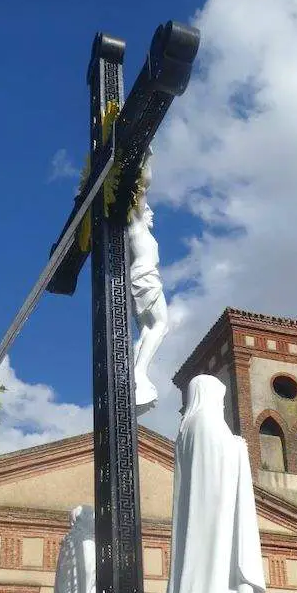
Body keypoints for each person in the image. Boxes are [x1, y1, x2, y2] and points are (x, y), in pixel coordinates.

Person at [147, 374, 266, 593]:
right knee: (216, 592)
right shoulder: (208, 425)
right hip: (216, 531)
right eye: (220, 398)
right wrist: (238, 448)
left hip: (201, 530)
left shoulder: (186, 429)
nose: (222, 405)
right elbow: (217, 473)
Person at [128, 146, 168, 415]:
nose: (150, 213)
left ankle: (134, 375)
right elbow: (142, 187)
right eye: (148, 210)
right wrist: (146, 156)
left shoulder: (140, 230)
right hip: (145, 278)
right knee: (162, 324)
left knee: (147, 329)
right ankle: (139, 373)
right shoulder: (136, 224)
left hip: (142, 278)